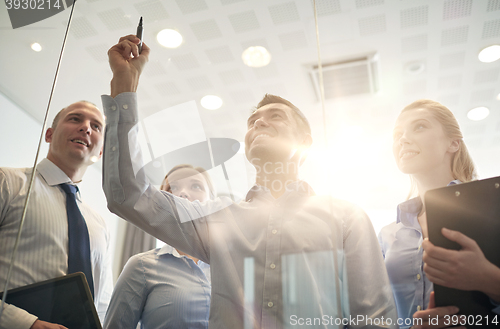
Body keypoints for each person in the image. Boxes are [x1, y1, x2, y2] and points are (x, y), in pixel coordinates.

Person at [102, 34, 397, 329]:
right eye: (252, 121)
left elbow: (374, 319)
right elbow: (127, 194)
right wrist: (124, 88)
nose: (259, 123)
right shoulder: (216, 218)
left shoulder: (345, 217)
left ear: (304, 143)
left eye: (275, 116)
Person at [378, 99, 500, 329]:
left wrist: (488, 278)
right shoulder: (387, 235)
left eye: (420, 126)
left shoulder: (494, 209)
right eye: (397, 134)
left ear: (453, 143)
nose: (402, 139)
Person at [0, 101, 113, 329]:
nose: (86, 128)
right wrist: (25, 324)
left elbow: (102, 302)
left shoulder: (99, 224)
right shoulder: (7, 183)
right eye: (75, 119)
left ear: (100, 152)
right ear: (49, 134)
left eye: (96, 126)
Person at [103, 164, 213, 329]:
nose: (182, 193)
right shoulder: (141, 267)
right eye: (172, 187)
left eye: (196, 186)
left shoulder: (234, 267)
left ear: (212, 200)